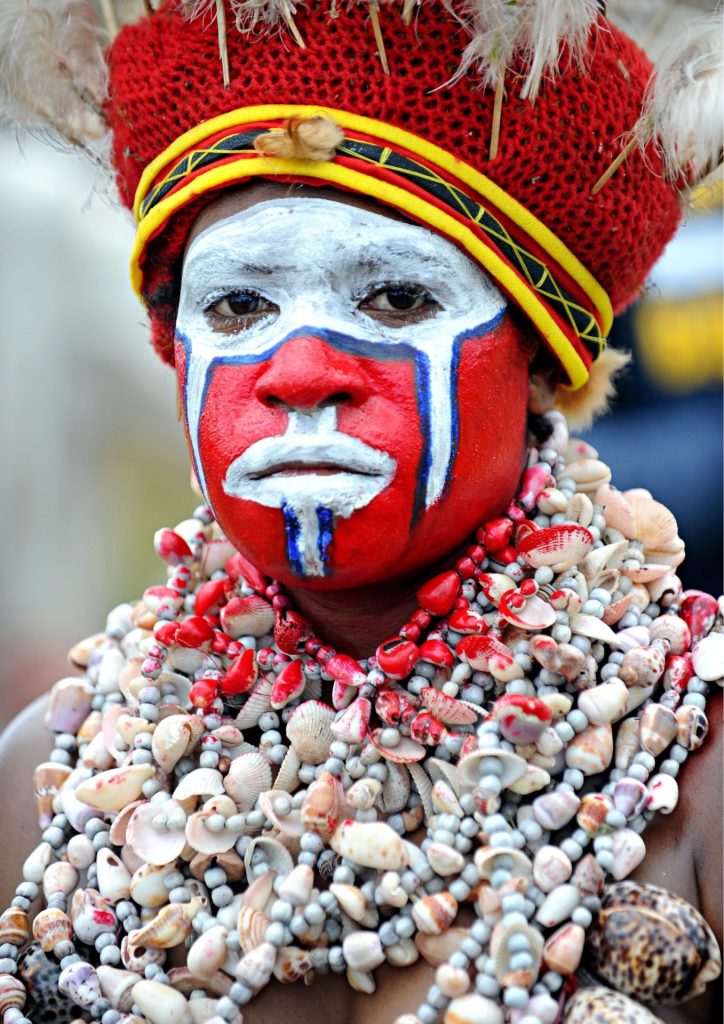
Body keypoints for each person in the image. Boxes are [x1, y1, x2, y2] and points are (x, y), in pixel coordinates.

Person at [0, 3, 721, 1023]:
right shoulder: (48, 774)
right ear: (176, 355)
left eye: (393, 298)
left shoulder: (690, 770)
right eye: (239, 307)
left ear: (540, 359)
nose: (300, 373)